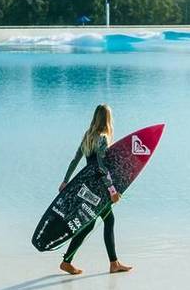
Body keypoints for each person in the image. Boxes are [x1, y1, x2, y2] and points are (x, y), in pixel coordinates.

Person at [57, 103, 133, 275]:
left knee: (90, 224)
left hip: (87, 186)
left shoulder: (88, 136)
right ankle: (113, 263)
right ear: (107, 119)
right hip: (99, 188)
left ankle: (67, 262)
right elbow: (101, 166)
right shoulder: (103, 138)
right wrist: (112, 191)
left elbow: (75, 159)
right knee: (108, 220)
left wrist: (65, 181)